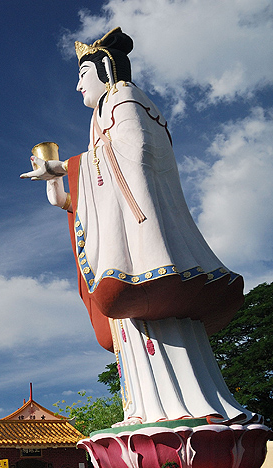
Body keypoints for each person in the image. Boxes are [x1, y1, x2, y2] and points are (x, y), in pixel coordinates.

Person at [21, 27, 257, 426]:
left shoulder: (125, 98)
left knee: (162, 319)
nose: (78, 86)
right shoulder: (101, 115)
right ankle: (146, 409)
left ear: (106, 70)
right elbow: (91, 194)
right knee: (132, 335)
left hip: (143, 240)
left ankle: (193, 409)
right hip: (123, 241)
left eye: (83, 75)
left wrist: (65, 165)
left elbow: (135, 154)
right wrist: (58, 186)